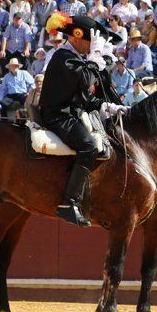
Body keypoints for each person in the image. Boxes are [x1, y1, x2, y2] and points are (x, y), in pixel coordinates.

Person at [40, 13, 123, 227]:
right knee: (88, 146)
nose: (92, 46)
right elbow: (86, 77)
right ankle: (69, 202)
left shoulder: (75, 59)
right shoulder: (62, 57)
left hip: (72, 113)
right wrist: (95, 55)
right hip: (57, 115)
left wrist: (107, 106)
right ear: (76, 37)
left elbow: (84, 97)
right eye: (90, 41)